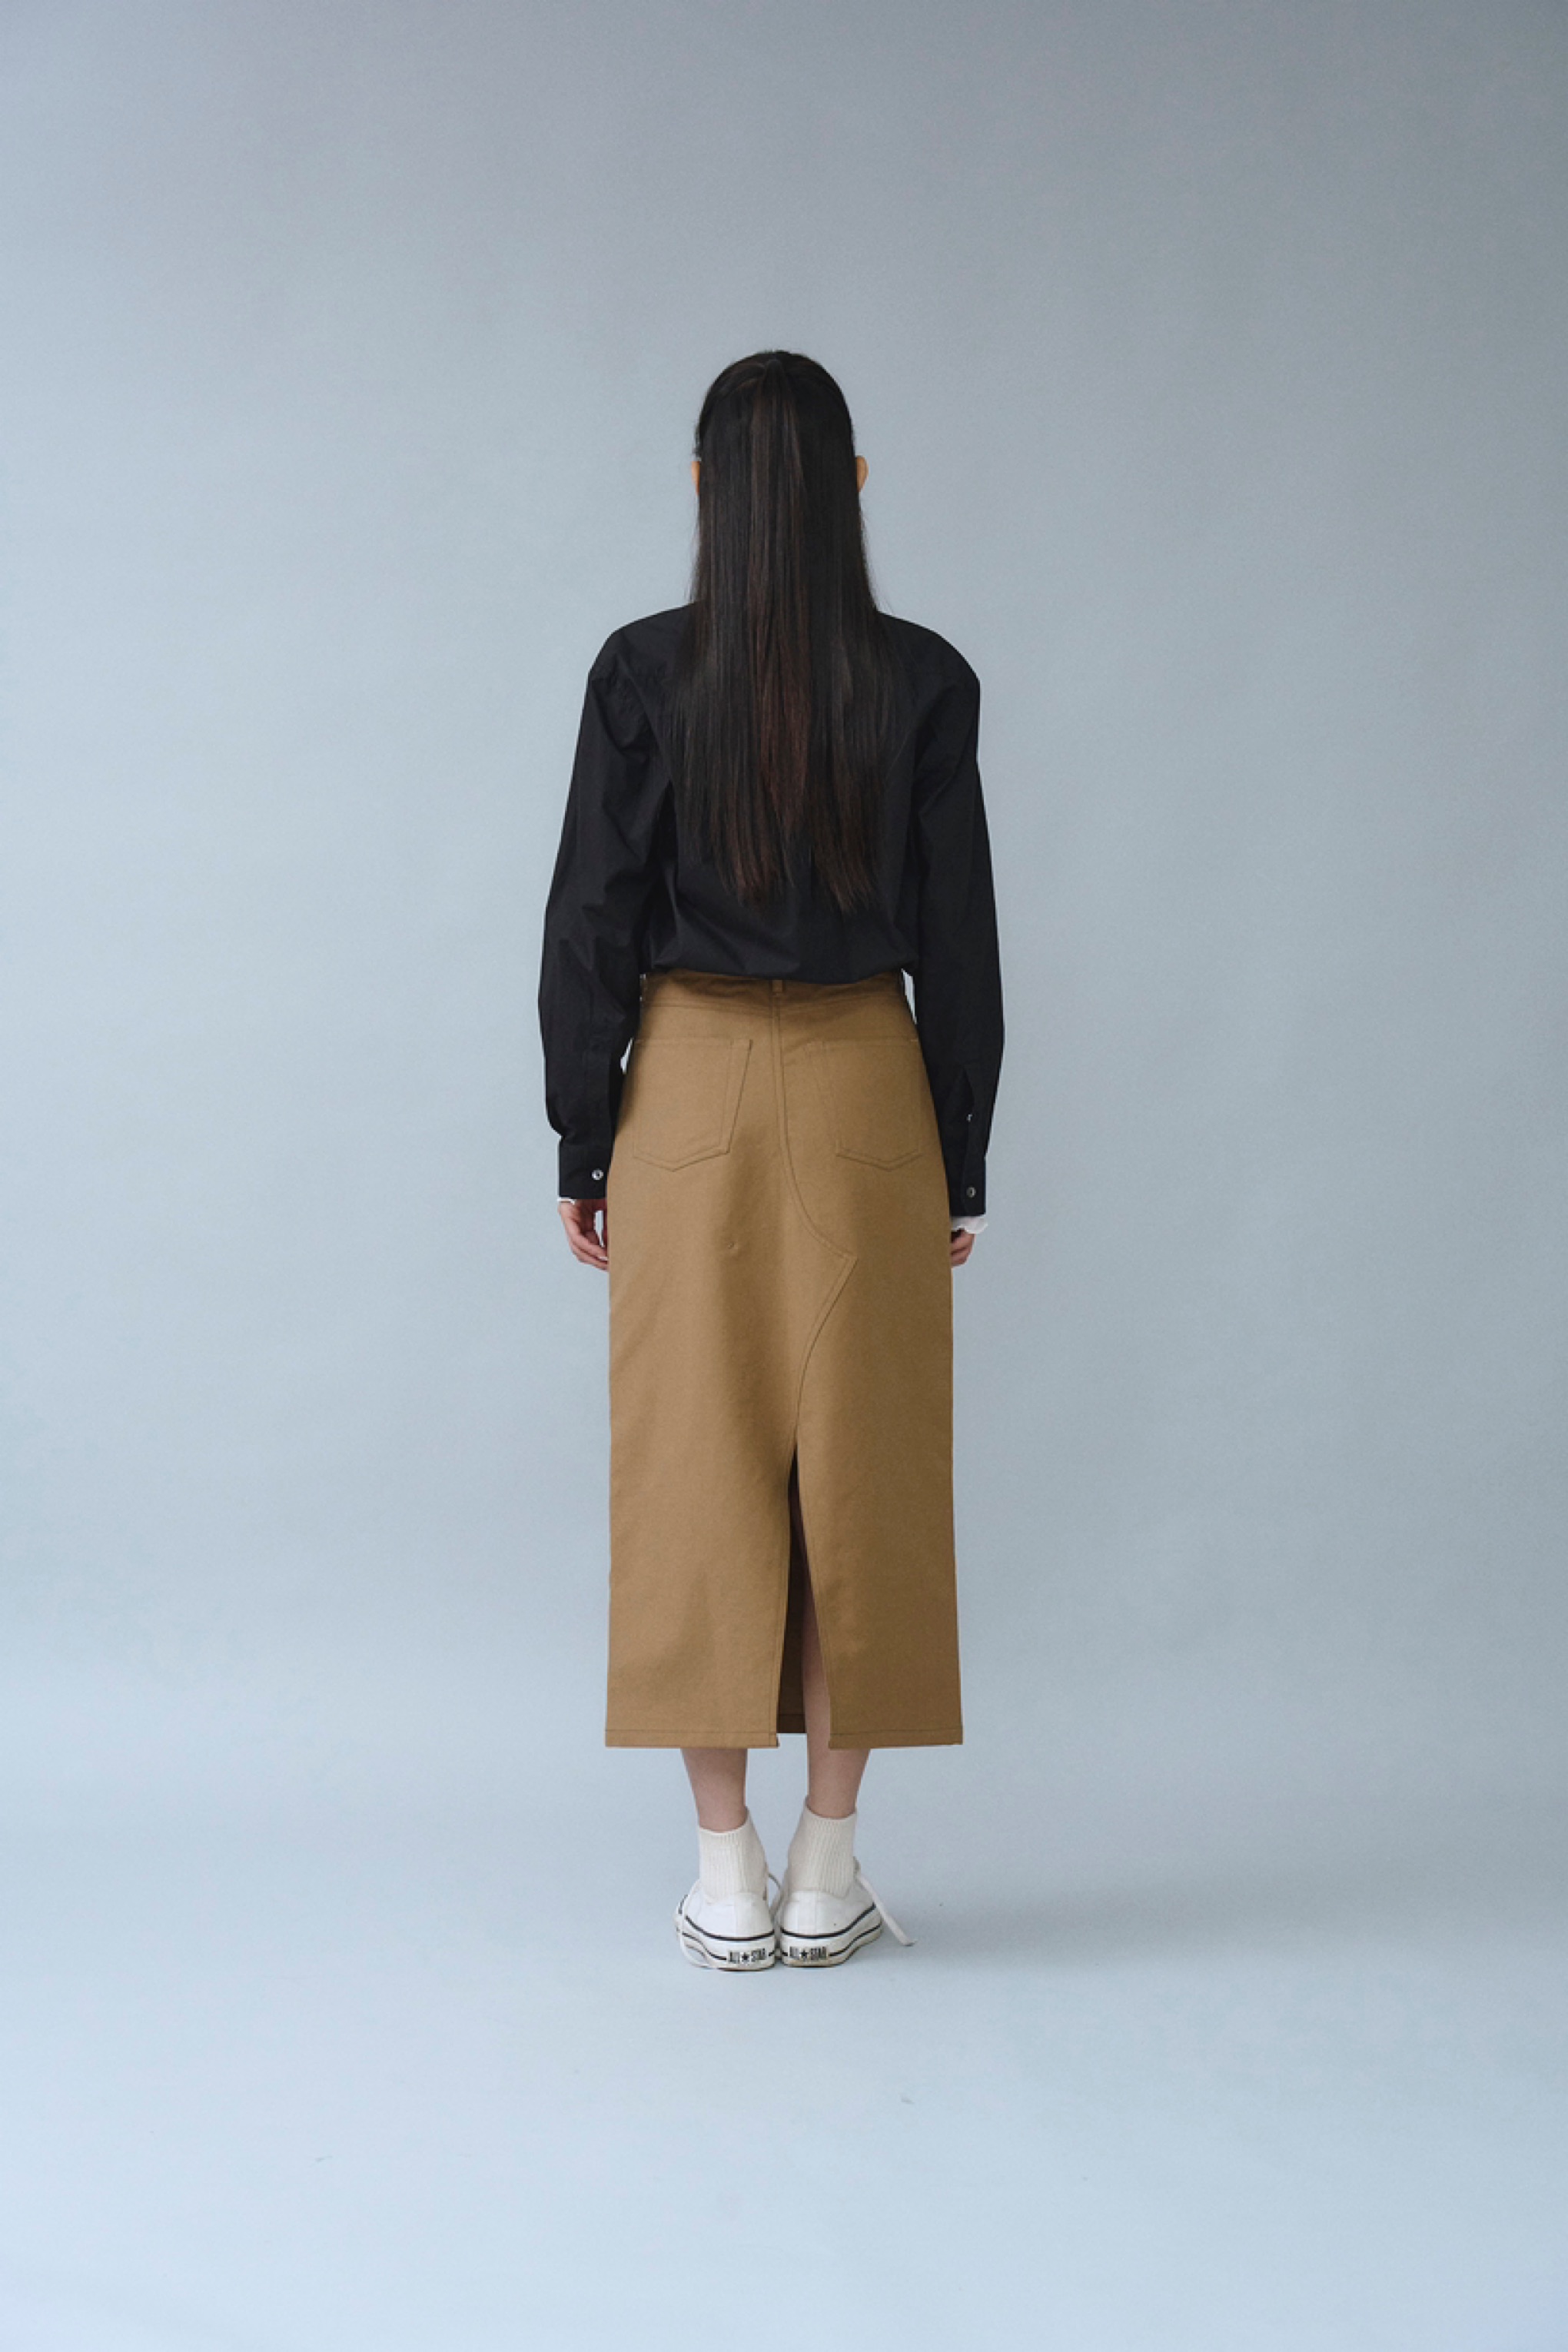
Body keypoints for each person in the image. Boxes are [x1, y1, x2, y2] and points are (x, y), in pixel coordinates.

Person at [538, 350, 1003, 1969]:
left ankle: (722, 1872)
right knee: (866, 1474)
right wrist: (959, 1157)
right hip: (870, 1076)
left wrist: (582, 1136)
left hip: (689, 1087)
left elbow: (593, 915)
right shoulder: (923, 680)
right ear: (853, 488)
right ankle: (829, 1867)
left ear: (704, 491)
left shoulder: (642, 671)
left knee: (698, 1462)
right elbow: (961, 937)